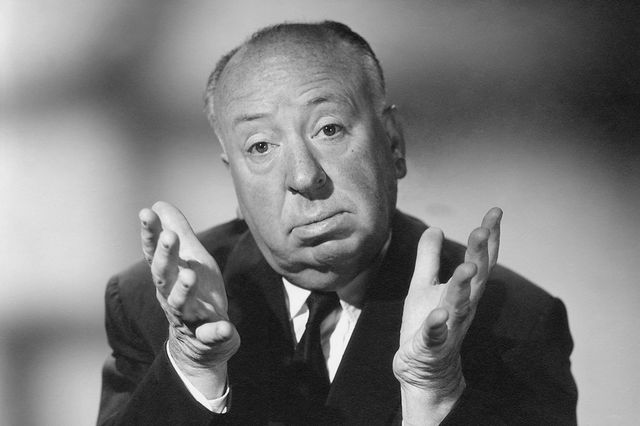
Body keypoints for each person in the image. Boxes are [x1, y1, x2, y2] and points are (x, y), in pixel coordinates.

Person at [98, 21, 577, 425]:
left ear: (392, 143)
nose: (304, 177)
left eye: (328, 129)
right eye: (261, 146)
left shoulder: (512, 322)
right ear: (235, 181)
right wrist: (193, 365)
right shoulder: (153, 310)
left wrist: (433, 394)